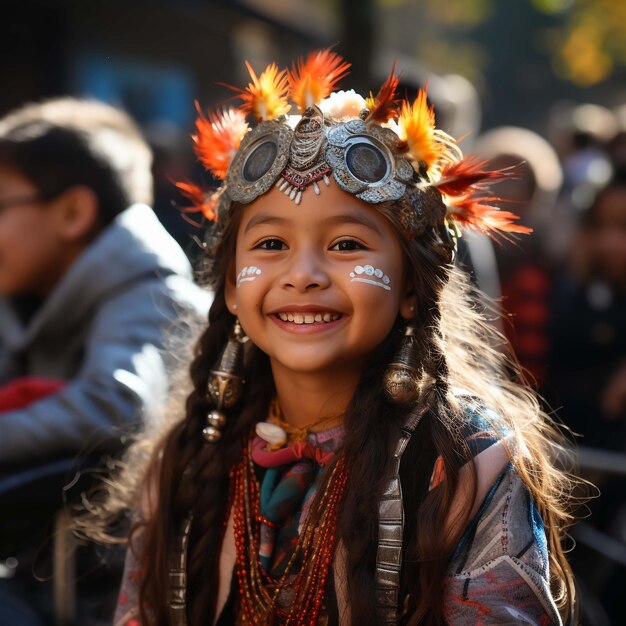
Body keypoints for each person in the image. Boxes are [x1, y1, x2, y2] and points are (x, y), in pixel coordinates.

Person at [99, 51, 576, 625]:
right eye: (270, 245)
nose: (303, 274)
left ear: (409, 287)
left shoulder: (468, 464)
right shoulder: (185, 461)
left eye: (347, 245)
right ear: (229, 286)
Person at [0, 97, 211, 624]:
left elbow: (116, 403)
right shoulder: (24, 291)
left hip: (117, 586)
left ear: (73, 212)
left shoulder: (146, 289)